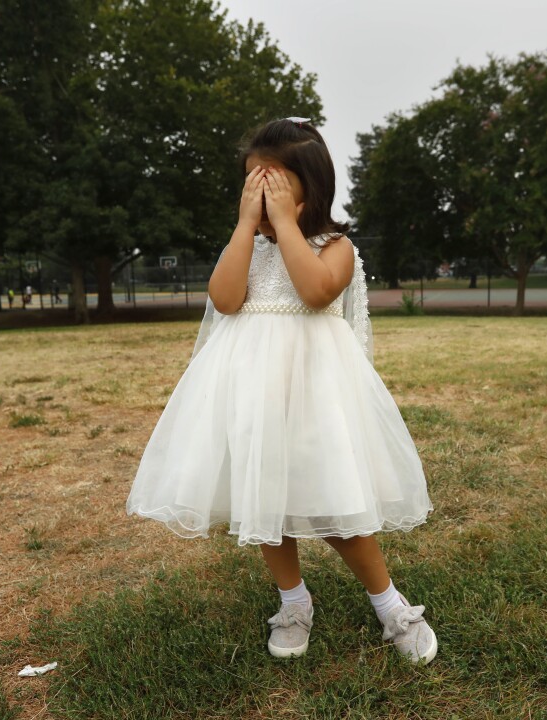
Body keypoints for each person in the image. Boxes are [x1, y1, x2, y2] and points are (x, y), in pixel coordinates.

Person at [126, 118, 436, 664]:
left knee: (338, 504)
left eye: (271, 185)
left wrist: (287, 226)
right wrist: (246, 226)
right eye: (251, 183)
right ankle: (294, 602)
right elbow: (224, 299)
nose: (260, 194)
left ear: (308, 188)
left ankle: (389, 604)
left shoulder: (336, 246)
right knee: (264, 498)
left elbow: (316, 292)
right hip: (254, 395)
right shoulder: (251, 246)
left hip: (317, 396)